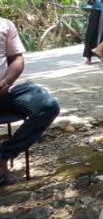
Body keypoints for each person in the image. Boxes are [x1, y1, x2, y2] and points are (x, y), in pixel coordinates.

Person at [0, 18, 60, 185]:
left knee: (47, 106)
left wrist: (6, 82)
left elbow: (16, 59)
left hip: (3, 93)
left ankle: (3, 155)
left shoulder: (4, 25)